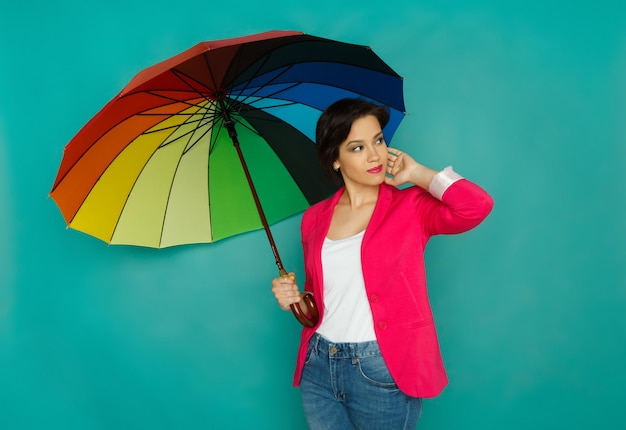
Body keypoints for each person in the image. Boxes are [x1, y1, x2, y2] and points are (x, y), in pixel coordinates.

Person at [271, 98, 493, 429]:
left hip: (380, 366)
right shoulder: (313, 219)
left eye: (378, 140)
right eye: (357, 147)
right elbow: (323, 294)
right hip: (319, 365)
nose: (375, 155)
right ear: (335, 159)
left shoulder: (411, 206)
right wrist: (295, 302)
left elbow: (476, 206)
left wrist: (417, 173)